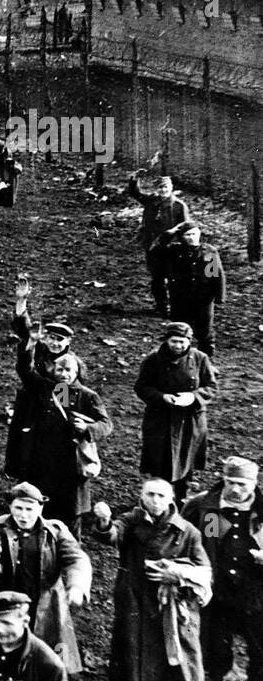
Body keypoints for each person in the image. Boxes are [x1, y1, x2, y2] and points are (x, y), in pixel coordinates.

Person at [92, 478, 212, 681]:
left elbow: (204, 571)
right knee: (137, 656)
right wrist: (103, 521)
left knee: (180, 657)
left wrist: (177, 574)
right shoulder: (131, 521)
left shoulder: (187, 531)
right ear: (142, 496)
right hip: (135, 601)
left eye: (161, 495)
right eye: (150, 494)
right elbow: (113, 534)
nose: (155, 500)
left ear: (170, 499)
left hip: (175, 607)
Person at [0, 484, 92, 674]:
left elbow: (77, 558)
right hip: (7, 605)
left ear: (40, 509)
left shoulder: (55, 531)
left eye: (29, 509)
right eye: (18, 508)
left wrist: (77, 585)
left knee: (48, 661)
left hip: (46, 605)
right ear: (10, 507)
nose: (23, 515)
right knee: (0, 656)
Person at [179, 457, 263, 681]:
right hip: (219, 591)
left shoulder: (261, 510)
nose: (235, 489)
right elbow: (188, 540)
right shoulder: (209, 508)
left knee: (260, 646)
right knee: (216, 644)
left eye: (242, 484)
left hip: (257, 591)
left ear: (255, 483)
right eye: (230, 482)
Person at [134, 322, 218, 499]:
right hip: (161, 419)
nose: (178, 346)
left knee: (186, 459)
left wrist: (194, 397)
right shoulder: (153, 360)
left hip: (190, 420)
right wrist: (162, 397)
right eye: (174, 341)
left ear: (189, 341)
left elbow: (211, 387)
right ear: (167, 340)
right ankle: (158, 498)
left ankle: (181, 497)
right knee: (160, 460)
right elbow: (141, 387)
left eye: (182, 341)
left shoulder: (200, 358)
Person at [157, 222, 224, 357]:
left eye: (194, 234)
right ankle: (178, 360)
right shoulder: (174, 251)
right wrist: (171, 232)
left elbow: (216, 274)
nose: (191, 237)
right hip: (181, 297)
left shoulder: (208, 251)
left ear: (199, 234)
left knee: (205, 332)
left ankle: (206, 362)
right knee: (179, 329)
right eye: (187, 235)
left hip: (203, 298)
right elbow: (157, 249)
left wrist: (219, 296)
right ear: (181, 237)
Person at [126, 171, 188, 316]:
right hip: (152, 246)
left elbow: (185, 226)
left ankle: (175, 305)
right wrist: (134, 180)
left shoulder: (179, 206)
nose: (163, 190)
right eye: (160, 188)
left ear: (171, 188)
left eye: (166, 187)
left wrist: (178, 240)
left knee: (172, 276)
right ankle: (162, 306)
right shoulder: (151, 201)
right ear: (156, 189)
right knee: (157, 277)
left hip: (170, 247)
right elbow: (136, 194)